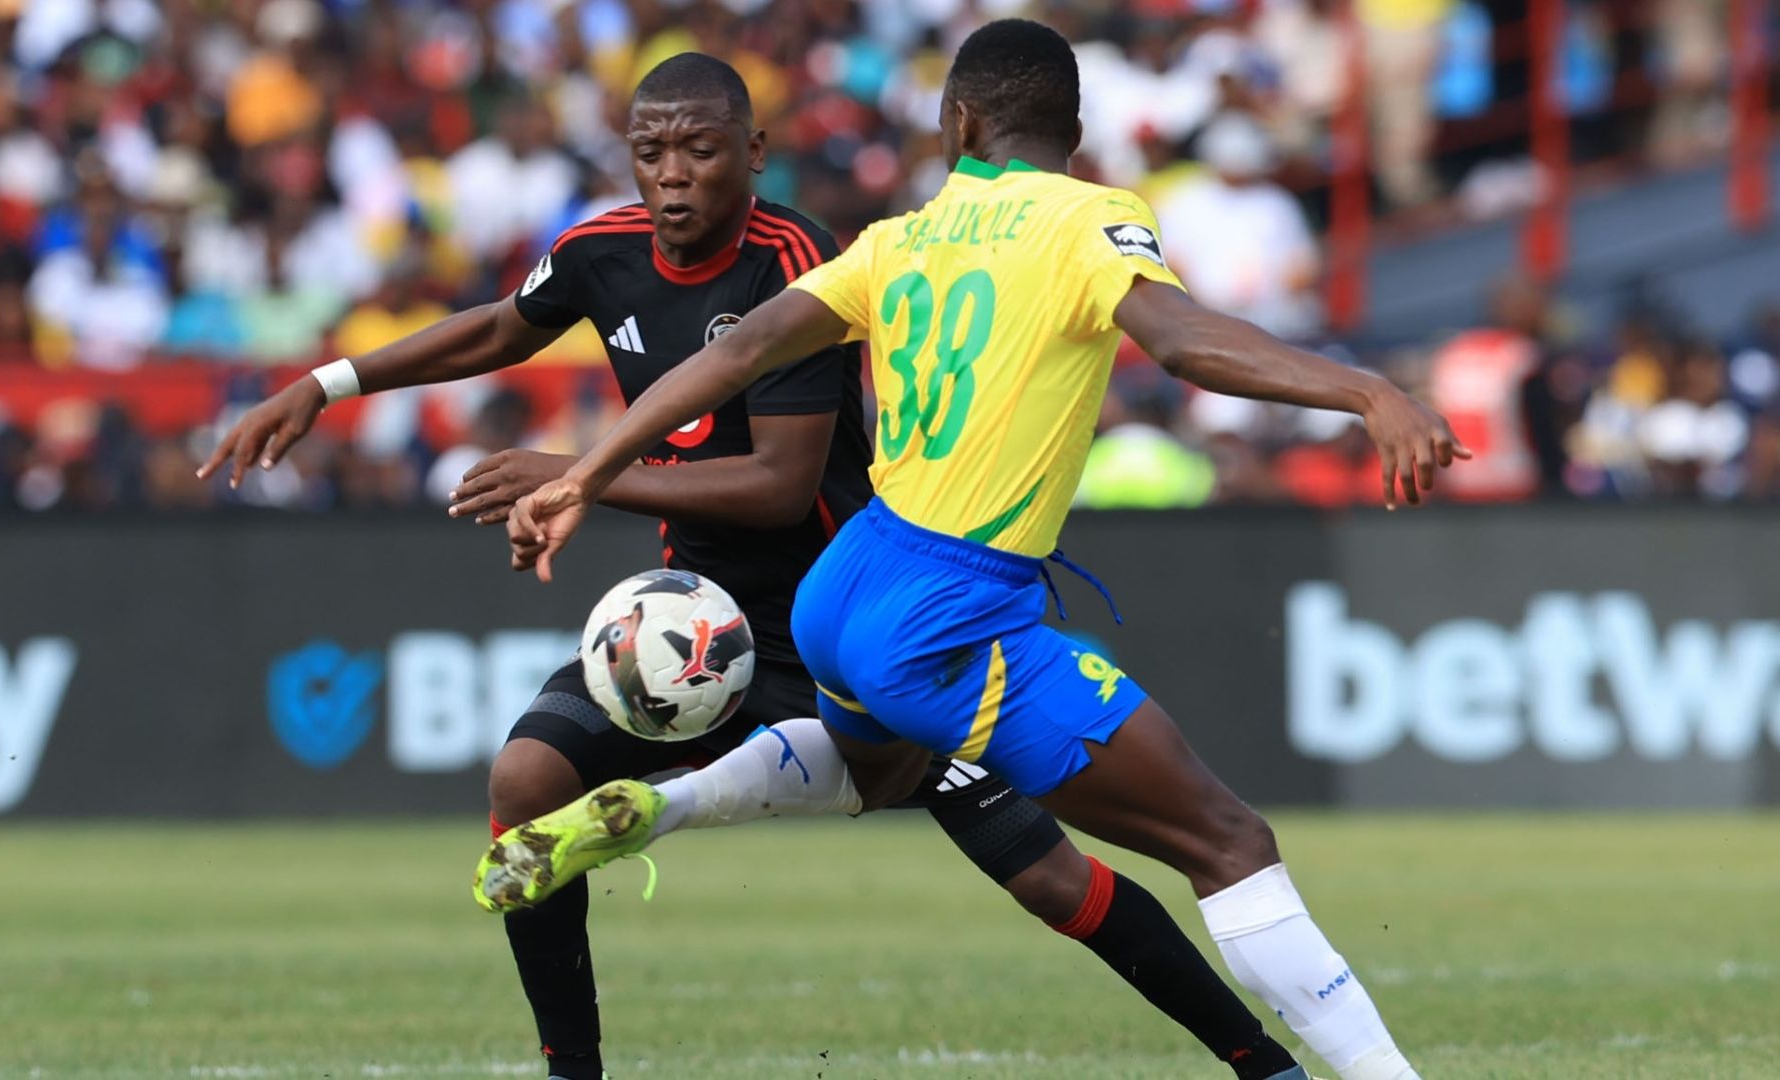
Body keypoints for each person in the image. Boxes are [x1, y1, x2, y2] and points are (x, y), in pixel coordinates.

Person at [201, 53, 1304, 1080]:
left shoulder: (798, 262)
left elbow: (779, 484)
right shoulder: (599, 252)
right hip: (700, 633)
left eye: (700, 149)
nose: (673, 175)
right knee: (526, 784)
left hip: (858, 637)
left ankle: (1263, 1061)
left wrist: (582, 473)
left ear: (754, 150)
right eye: (651, 152)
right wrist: (327, 383)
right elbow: (501, 328)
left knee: (1050, 877)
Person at [484, 22, 1470, 1080]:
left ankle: (660, 805)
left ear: (957, 124)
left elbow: (740, 353)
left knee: (874, 773)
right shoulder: (1090, 218)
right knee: (1227, 842)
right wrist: (1366, 389)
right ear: (1074, 132)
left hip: (841, 589)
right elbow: (1184, 342)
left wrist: (585, 472)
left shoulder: (898, 237)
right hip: (949, 607)